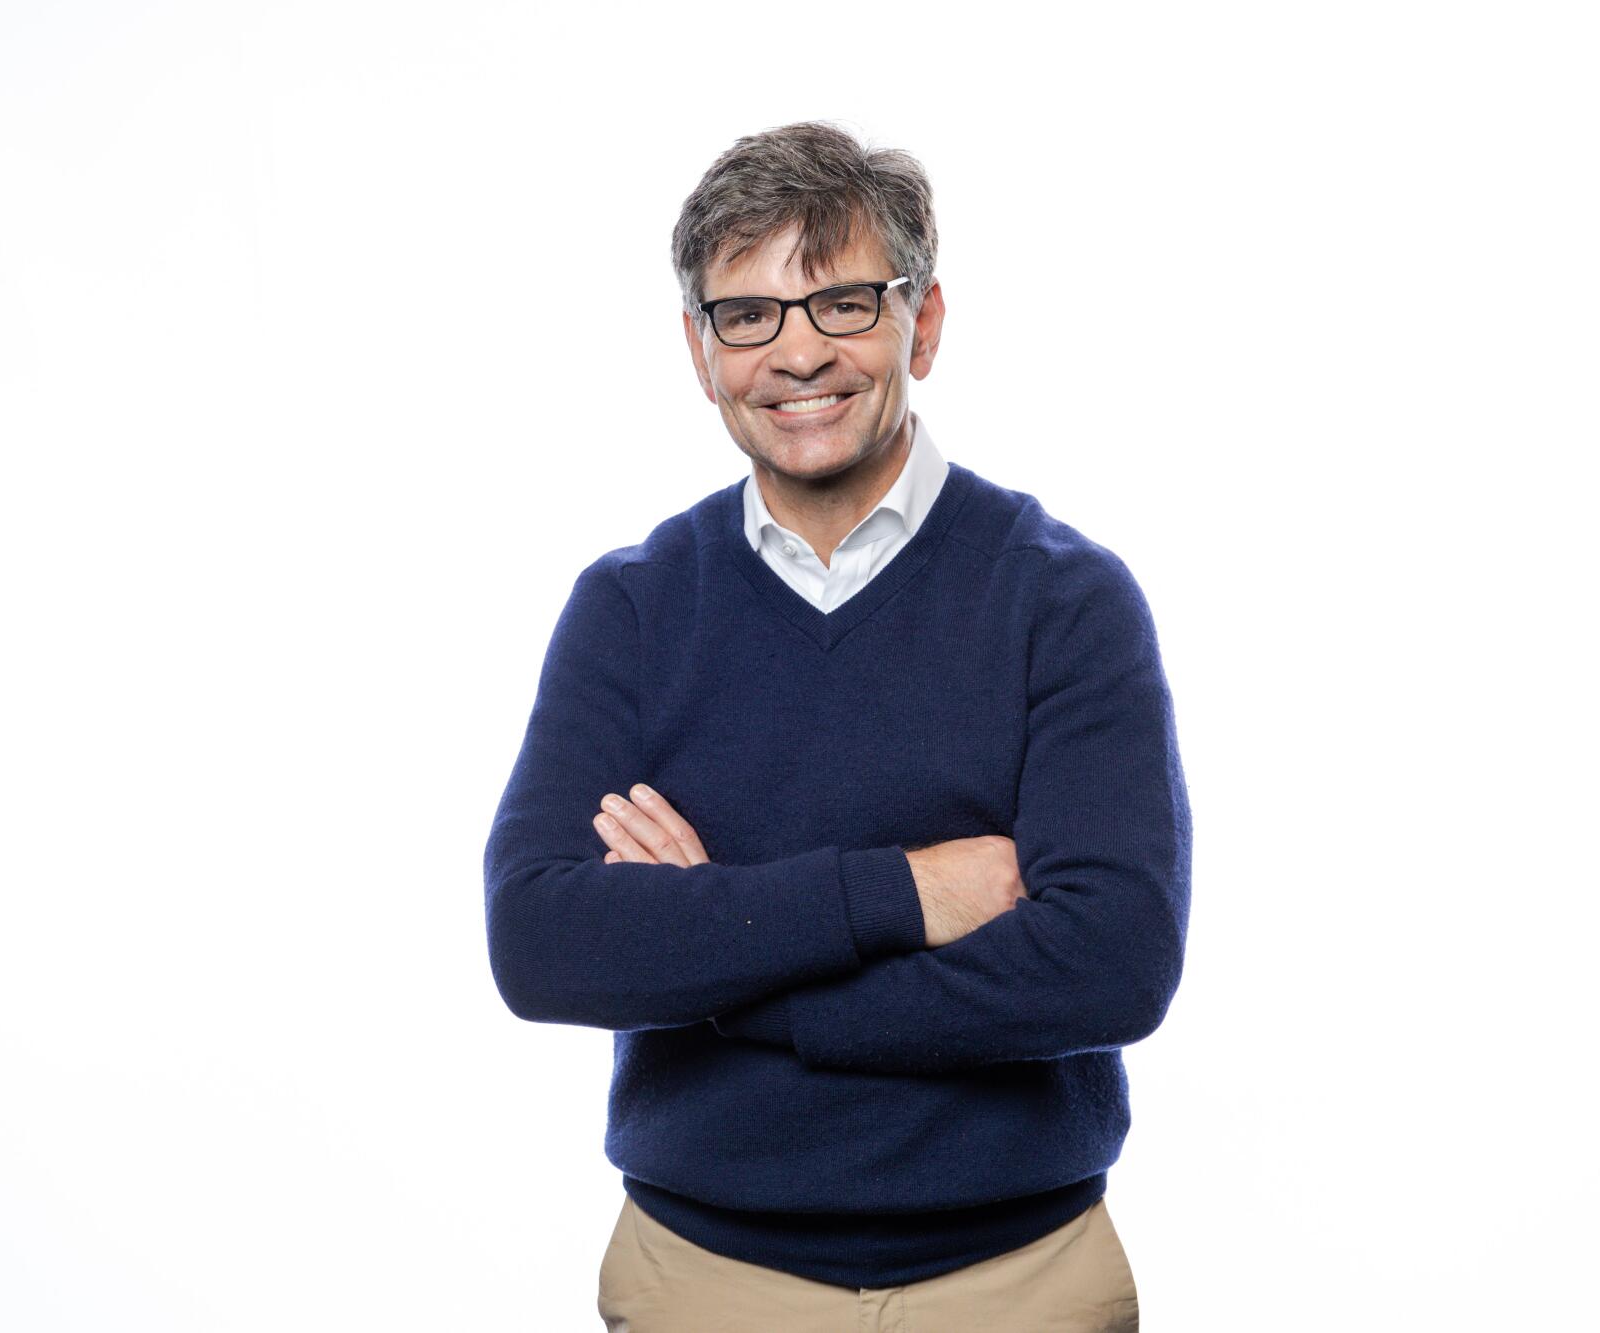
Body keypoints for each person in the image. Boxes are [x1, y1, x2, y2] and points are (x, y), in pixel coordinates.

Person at [482, 120, 1192, 1332]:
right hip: (705, 1281)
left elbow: (1112, 960)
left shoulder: (1062, 598)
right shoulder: (634, 605)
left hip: (1016, 1282)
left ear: (921, 322)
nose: (795, 352)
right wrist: (901, 897)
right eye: (746, 315)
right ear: (699, 353)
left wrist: (720, 962)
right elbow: (544, 942)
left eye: (842, 302)